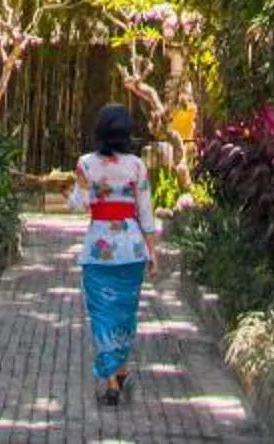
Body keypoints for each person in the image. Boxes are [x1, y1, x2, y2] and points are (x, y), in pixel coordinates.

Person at [69, 103, 158, 405]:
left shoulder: (86, 164)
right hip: (132, 249)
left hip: (98, 250)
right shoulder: (136, 165)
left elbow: (78, 206)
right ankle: (116, 372)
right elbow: (146, 212)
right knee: (124, 313)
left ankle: (113, 376)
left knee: (102, 314)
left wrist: (83, 186)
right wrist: (152, 251)